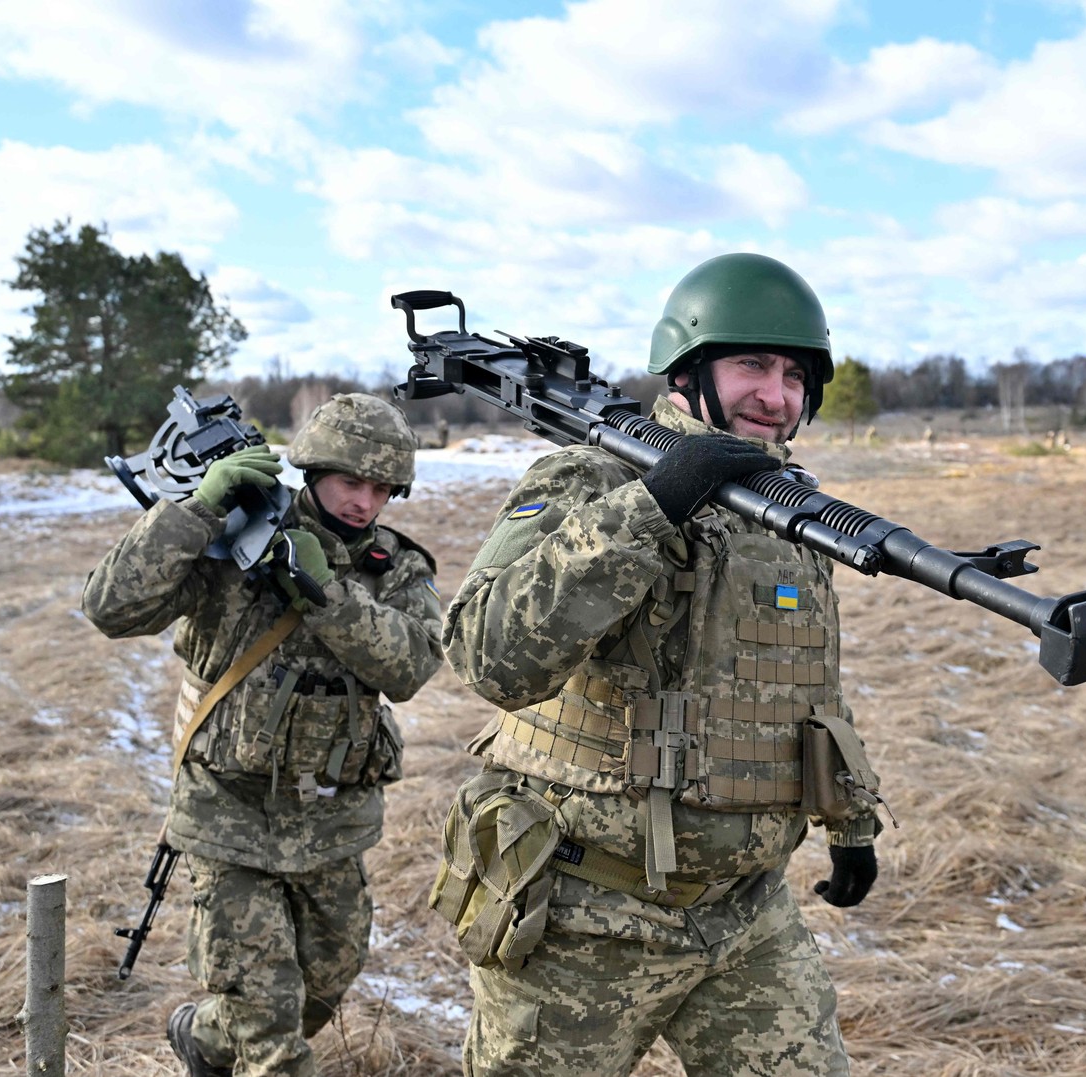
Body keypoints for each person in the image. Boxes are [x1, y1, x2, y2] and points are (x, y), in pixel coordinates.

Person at [434, 253, 885, 1076]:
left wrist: (851, 821)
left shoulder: (785, 512)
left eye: (794, 375)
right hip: (581, 917)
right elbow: (487, 653)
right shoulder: (588, 476)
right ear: (687, 369)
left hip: (745, 918)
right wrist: (655, 503)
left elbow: (807, 689)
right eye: (752, 363)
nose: (774, 395)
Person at [83, 394, 444, 1077]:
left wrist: (324, 591)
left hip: (332, 824)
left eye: (380, 488)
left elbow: (411, 666)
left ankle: (203, 1036)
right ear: (312, 470)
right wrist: (199, 510)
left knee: (320, 989)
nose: (364, 501)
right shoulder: (231, 540)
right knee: (272, 1039)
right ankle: (246, 1037)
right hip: (229, 815)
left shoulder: (391, 565)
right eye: (349, 482)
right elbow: (110, 606)